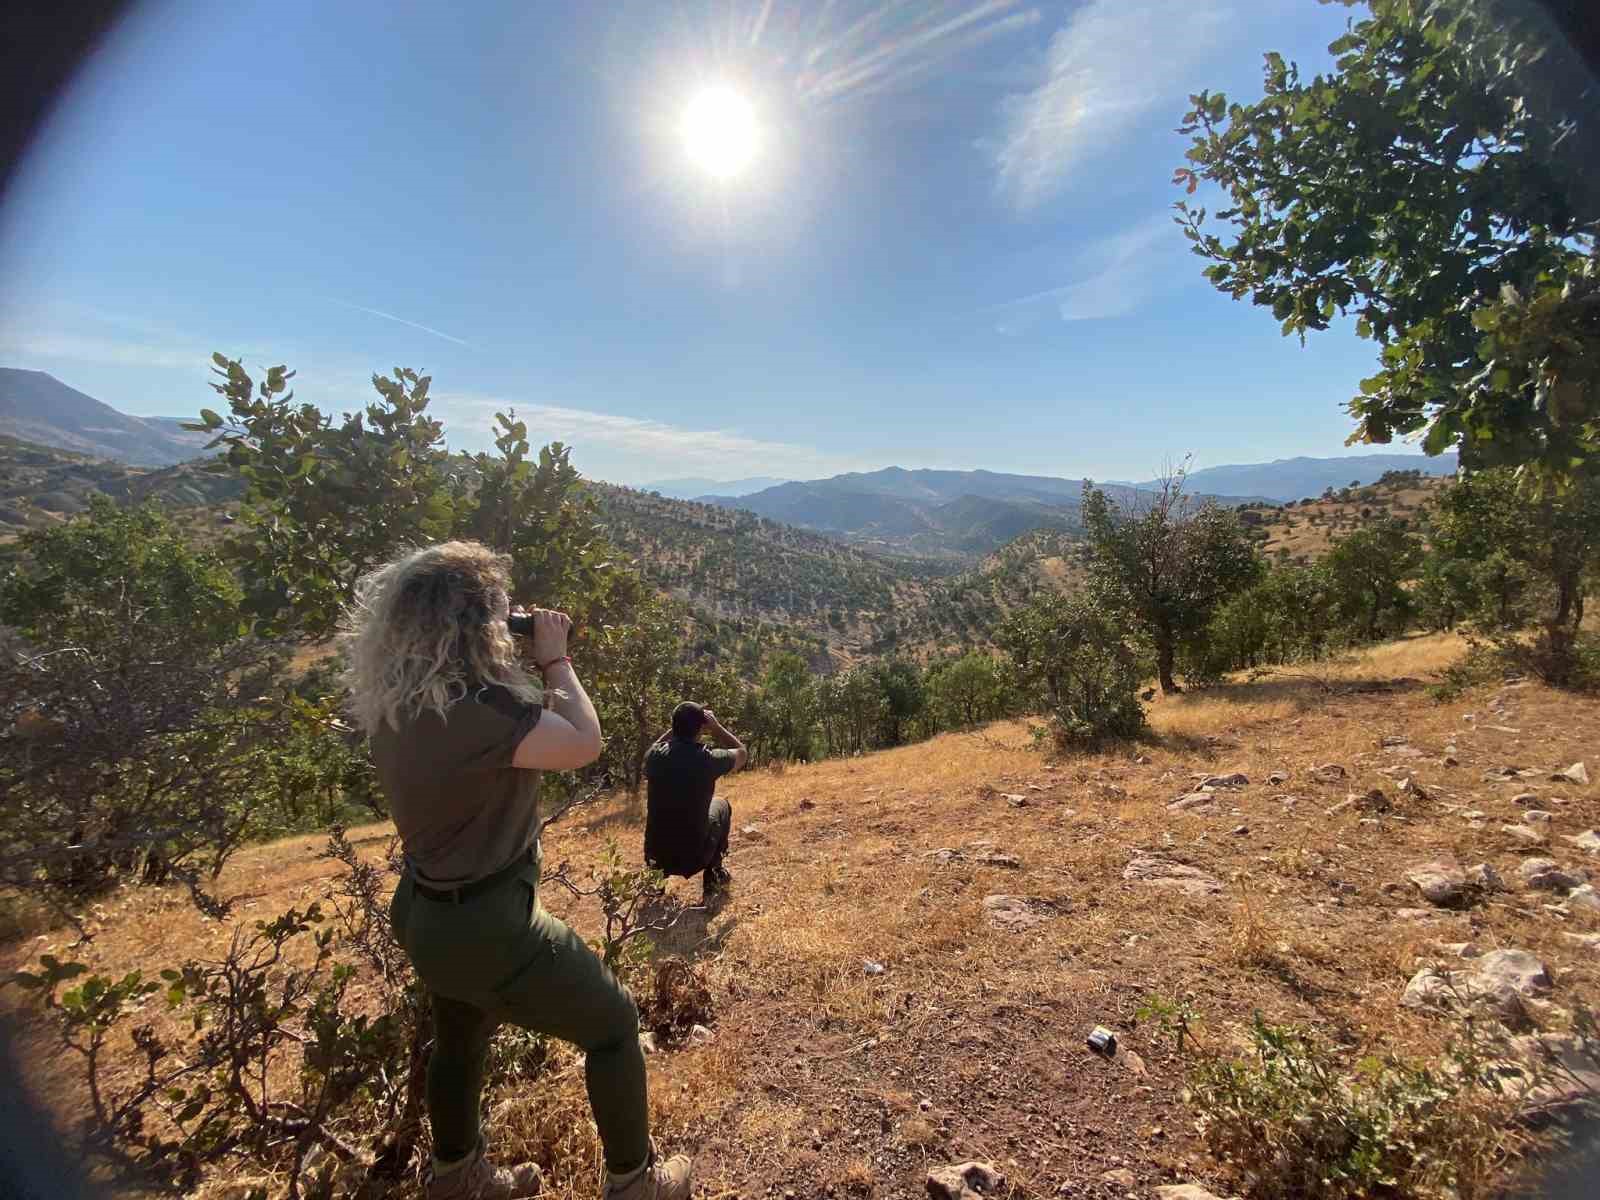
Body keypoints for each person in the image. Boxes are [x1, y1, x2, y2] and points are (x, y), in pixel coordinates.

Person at [342, 542, 691, 1200]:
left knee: (460, 1035)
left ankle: (455, 1176)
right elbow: (583, 741)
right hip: (489, 923)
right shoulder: (480, 710)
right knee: (613, 1026)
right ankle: (637, 1184)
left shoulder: (400, 703)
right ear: (476, 625)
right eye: (503, 613)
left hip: (424, 911)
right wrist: (554, 658)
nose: (514, 622)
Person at [642, 702, 747, 899]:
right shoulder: (708, 758)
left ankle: (655, 883)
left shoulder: (654, 758)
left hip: (658, 858)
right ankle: (714, 875)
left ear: (673, 727)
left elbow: (651, 750)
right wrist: (716, 727)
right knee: (721, 804)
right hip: (695, 858)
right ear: (701, 728)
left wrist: (676, 727)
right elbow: (741, 752)